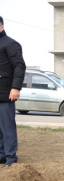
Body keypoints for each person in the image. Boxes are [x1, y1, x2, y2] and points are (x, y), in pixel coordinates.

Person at [0, 16, 26, 169]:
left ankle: (11, 157)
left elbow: (19, 66)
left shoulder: (11, 44)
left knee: (7, 127)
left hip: (6, 93)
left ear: (1, 26)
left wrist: (15, 88)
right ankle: (1, 155)